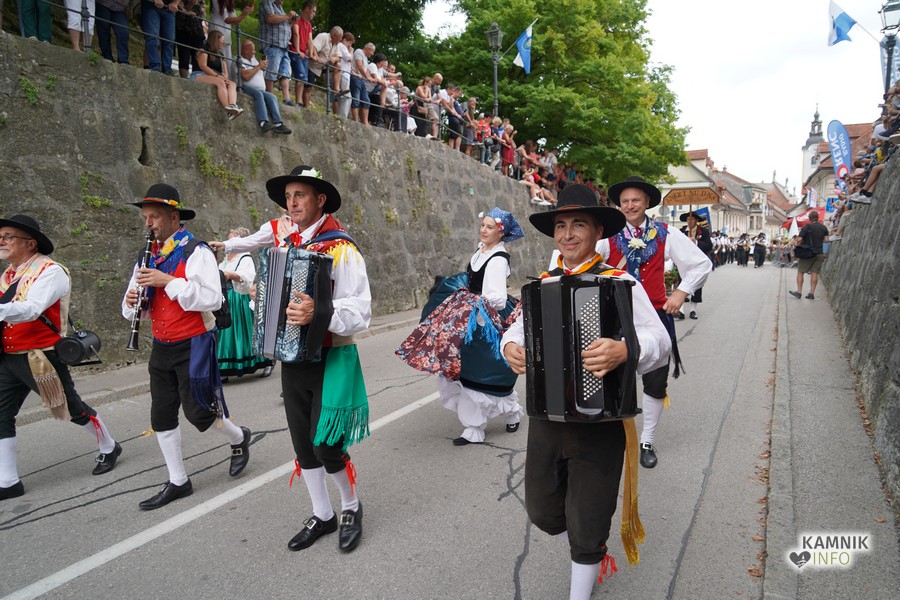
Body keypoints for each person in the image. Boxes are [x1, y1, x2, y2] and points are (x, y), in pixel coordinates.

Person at [500, 185, 670, 599]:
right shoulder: (542, 285)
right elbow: (517, 329)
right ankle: (585, 554)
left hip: (601, 421)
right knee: (542, 511)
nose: (568, 234)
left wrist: (625, 349)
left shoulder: (619, 282)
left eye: (579, 224)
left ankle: (585, 565)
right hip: (547, 417)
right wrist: (510, 346)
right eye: (561, 225)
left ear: (597, 232)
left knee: (589, 519)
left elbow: (660, 341)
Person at [211, 166, 370, 553]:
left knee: (327, 445)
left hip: (332, 355)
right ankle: (323, 514)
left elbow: (361, 311)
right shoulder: (288, 245)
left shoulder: (341, 248)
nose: (292, 203)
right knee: (303, 444)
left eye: (300, 195)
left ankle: (351, 506)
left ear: (320, 200)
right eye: (288, 197)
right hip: (292, 357)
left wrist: (319, 312)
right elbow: (270, 297)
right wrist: (260, 297)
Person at [122, 184, 251, 510]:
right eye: (146, 217)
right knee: (161, 414)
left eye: (154, 217)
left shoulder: (196, 251)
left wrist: (168, 281)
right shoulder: (147, 256)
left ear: (174, 217)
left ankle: (239, 437)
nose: (148, 223)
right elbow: (136, 306)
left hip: (195, 342)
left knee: (199, 413)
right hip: (162, 344)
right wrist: (132, 302)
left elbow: (211, 298)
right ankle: (178, 480)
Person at [0, 215, 122, 501]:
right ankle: (8, 481)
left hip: (39, 357)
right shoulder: (8, 275)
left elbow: (32, 309)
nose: (1, 241)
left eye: (8, 237)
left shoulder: (51, 271)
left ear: (30, 243)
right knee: (1, 414)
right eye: (0, 236)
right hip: (8, 358)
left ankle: (109, 446)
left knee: (72, 409)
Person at [603, 177, 711, 469]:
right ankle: (613, 437)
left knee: (654, 381)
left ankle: (647, 440)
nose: (630, 206)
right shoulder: (607, 234)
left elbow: (701, 264)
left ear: (647, 202)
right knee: (612, 378)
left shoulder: (666, 233)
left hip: (654, 318)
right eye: (625, 201)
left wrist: (681, 292)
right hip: (616, 318)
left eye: (635, 200)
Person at [396, 208, 525, 446]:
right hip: (471, 313)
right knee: (462, 366)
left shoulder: (498, 259)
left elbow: (497, 298)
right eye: (483, 225)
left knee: (482, 371)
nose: (483, 230)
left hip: (485, 318)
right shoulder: (482, 249)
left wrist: (474, 307)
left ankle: (510, 412)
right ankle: (474, 426)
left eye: (489, 227)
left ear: (501, 232)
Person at [216, 227, 275, 380]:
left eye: (232, 240)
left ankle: (266, 361)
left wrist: (230, 275)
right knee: (226, 332)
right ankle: (226, 366)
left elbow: (247, 277)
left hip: (240, 298)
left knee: (248, 331)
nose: (228, 243)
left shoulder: (245, 257)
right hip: (226, 298)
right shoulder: (226, 259)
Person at [238, 39, 293, 134]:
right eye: (252, 50)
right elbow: (245, 76)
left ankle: (278, 124)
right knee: (259, 95)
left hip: (260, 89)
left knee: (272, 96)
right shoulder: (240, 60)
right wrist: (258, 67)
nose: (254, 52)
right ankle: (263, 122)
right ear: (245, 50)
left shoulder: (254, 60)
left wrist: (262, 68)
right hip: (246, 86)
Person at [190, 30, 243, 118]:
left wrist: (225, 77)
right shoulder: (204, 49)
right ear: (215, 41)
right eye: (222, 42)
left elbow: (225, 70)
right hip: (200, 74)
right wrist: (217, 76)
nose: (223, 44)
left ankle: (232, 105)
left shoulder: (220, 54)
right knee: (220, 82)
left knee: (232, 84)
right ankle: (228, 109)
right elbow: (203, 66)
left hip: (216, 76)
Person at [258, 0, 297, 104]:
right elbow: (270, 18)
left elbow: (282, 25)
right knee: (272, 71)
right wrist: (287, 16)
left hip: (284, 46)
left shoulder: (280, 8)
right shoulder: (267, 2)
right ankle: (269, 96)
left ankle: (287, 99)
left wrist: (291, 23)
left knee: (285, 73)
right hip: (272, 44)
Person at [677, 211, 713, 319]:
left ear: (696, 220)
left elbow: (708, 246)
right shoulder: (681, 231)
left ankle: (693, 310)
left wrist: (696, 242)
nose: (690, 221)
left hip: (697, 262)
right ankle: (681, 310)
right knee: (682, 284)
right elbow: (676, 245)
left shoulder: (703, 231)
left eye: (692, 219)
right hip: (684, 262)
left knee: (696, 285)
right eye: (688, 219)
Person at [790, 210, 829, 300]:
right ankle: (811, 293)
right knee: (814, 273)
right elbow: (826, 240)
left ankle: (799, 292)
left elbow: (799, 239)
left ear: (809, 218)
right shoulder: (823, 227)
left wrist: (796, 244)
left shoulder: (806, 227)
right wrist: (818, 241)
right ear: (818, 218)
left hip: (808, 252)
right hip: (819, 252)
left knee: (801, 271)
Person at [289, 1, 318, 107]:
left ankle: (299, 101)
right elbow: (295, 34)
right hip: (295, 51)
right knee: (301, 77)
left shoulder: (309, 25)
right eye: (313, 11)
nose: (314, 14)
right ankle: (298, 101)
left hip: (303, 55)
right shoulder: (297, 19)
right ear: (307, 9)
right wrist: (297, 51)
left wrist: (311, 54)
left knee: (304, 79)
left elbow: (310, 40)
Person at [141, 0, 177, 74]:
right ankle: (155, 66)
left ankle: (167, 69)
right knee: (152, 36)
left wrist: (176, 3)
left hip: (169, 9)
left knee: (169, 39)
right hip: (151, 5)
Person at [95, 0, 130, 64]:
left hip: (120, 9)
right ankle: (107, 58)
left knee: (123, 31)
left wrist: (127, 6)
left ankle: (123, 60)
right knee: (104, 31)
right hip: (103, 4)